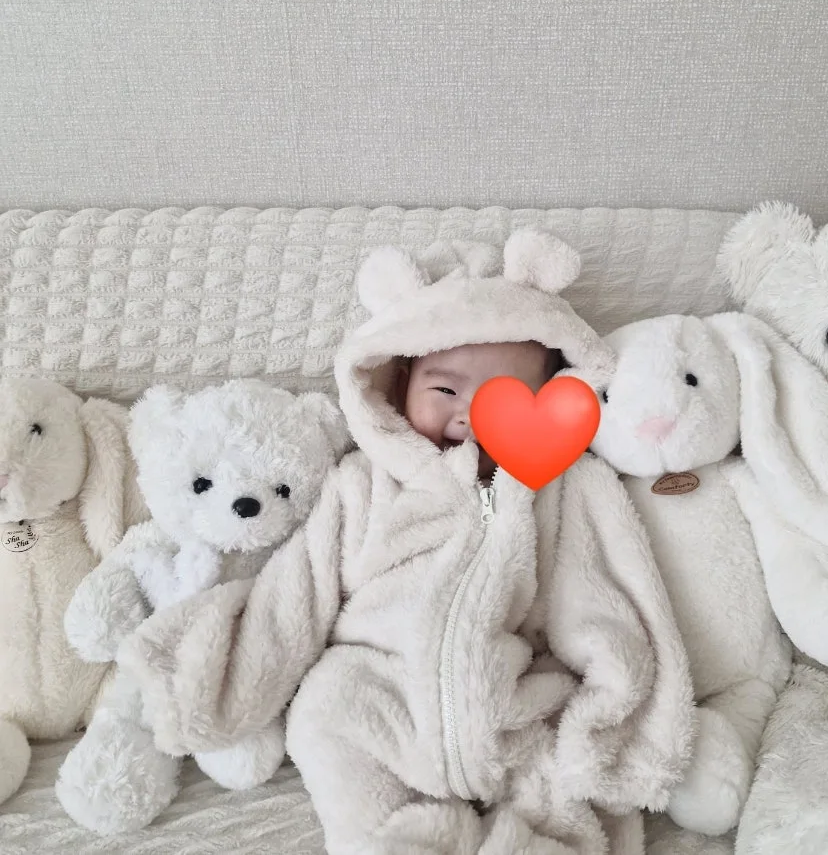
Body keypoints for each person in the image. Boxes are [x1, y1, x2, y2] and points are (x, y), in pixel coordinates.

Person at [119, 230, 694, 854]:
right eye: (445, 391)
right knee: (322, 718)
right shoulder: (364, 481)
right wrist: (218, 686)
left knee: (564, 787)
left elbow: (601, 589)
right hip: (375, 691)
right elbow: (301, 587)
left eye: (504, 398)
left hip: (510, 701)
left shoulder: (564, 488)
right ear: (397, 388)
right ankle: (390, 842)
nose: (469, 416)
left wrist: (611, 705)